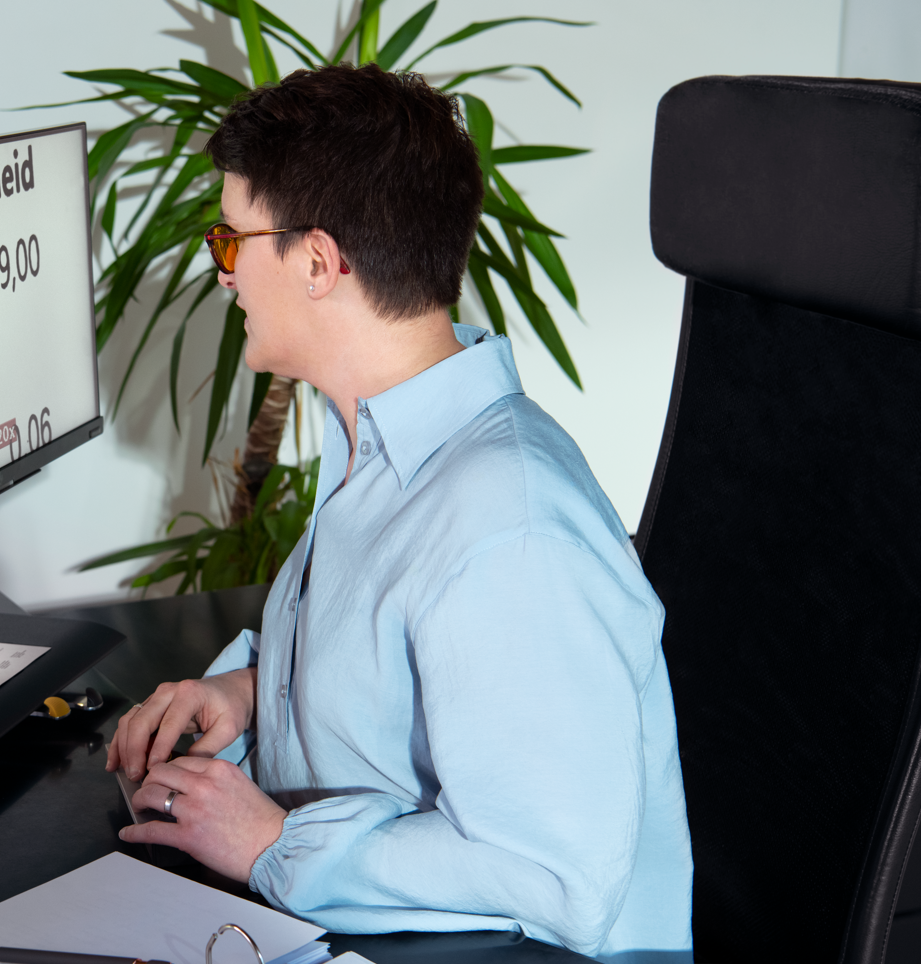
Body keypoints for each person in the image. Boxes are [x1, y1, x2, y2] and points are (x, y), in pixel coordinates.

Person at [106, 64, 693, 962]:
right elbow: (412, 674)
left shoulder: (511, 533)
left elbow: (553, 878)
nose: (223, 275)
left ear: (314, 262)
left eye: (233, 244)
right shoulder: (374, 447)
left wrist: (270, 846)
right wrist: (248, 693)